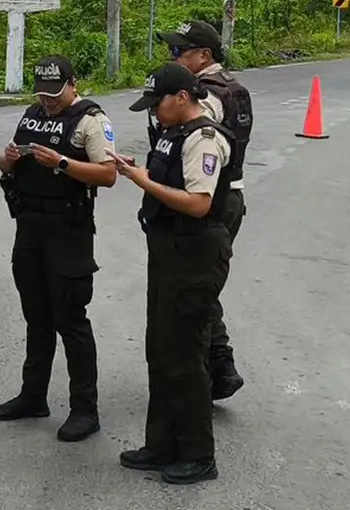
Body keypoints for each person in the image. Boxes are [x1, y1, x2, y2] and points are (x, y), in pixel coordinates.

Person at [113, 62, 233, 485]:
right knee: (161, 350)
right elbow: (169, 179)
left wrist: (142, 181)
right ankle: (161, 444)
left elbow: (199, 203)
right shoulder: (172, 132)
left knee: (185, 356)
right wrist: (139, 171)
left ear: (182, 97)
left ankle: (199, 455)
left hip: (195, 253)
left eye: (157, 103)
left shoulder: (204, 139)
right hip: (168, 249)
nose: (153, 112)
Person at [0, 55, 118, 443]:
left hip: (68, 230)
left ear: (72, 84)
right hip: (30, 226)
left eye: (54, 94)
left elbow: (108, 174)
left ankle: (85, 409)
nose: (47, 101)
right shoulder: (32, 115)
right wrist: (10, 159)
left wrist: (62, 163)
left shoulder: (90, 120)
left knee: (71, 319)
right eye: (42, 94)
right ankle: (33, 396)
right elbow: (4, 166)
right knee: (37, 316)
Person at [156, 20, 253, 401]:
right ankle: (218, 366)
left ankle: (208, 372)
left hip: (208, 199)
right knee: (201, 286)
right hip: (230, 194)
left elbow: (196, 130)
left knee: (193, 289)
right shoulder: (234, 87)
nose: (173, 57)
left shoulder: (205, 96)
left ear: (204, 55)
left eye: (180, 51)